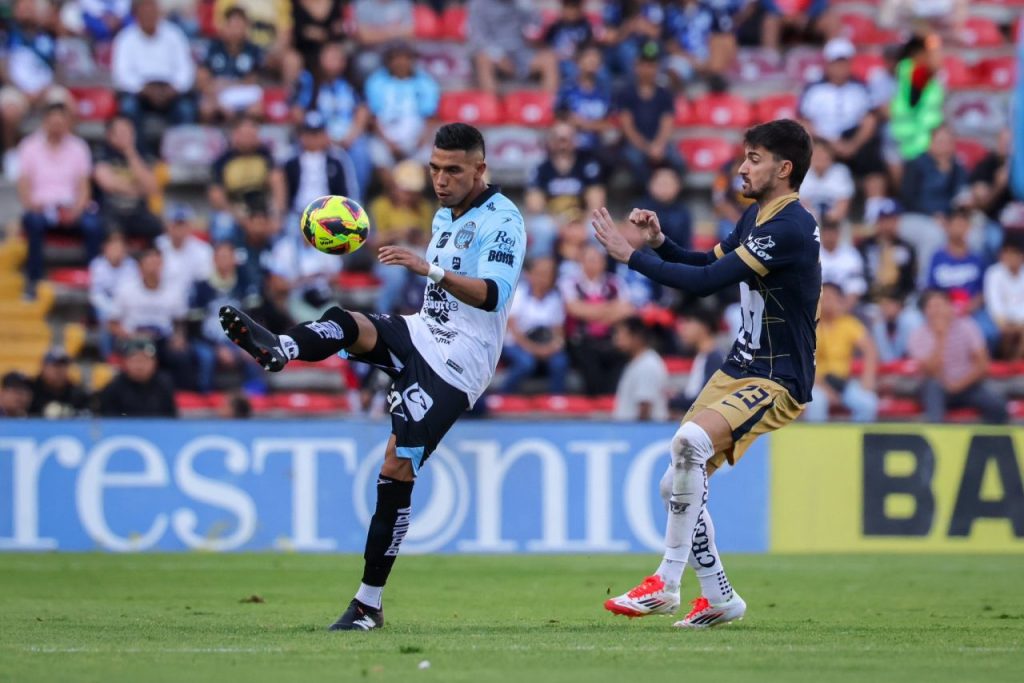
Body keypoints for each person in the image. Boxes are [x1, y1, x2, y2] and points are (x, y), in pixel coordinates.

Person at [218, 123, 526, 631]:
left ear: (480, 169)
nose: (441, 180)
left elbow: (492, 295)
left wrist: (427, 269)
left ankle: (368, 604)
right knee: (349, 322)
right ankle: (280, 347)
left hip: (461, 362)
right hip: (426, 330)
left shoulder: (504, 220)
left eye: (453, 170)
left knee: (397, 467)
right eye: (434, 169)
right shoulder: (445, 213)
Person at [593, 119, 818, 628]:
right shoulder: (758, 217)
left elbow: (705, 284)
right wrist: (660, 243)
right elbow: (706, 262)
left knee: (690, 442)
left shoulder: (790, 229)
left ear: (783, 169)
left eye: (754, 158)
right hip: (741, 365)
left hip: (778, 376)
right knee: (673, 483)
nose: (742, 166)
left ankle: (667, 582)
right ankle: (719, 596)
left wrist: (631, 258)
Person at [18, 101, 102, 298]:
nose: (57, 127)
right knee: (33, 223)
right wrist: (32, 204)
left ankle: (95, 281)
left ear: (68, 124)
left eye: (61, 123)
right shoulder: (29, 146)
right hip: (41, 208)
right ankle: (34, 281)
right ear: (44, 122)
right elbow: (23, 186)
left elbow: (84, 187)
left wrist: (77, 209)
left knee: (94, 225)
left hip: (71, 208)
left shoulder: (78, 147)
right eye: (53, 122)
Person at [798, 38, 885, 196]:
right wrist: (830, 143)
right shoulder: (814, 89)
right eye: (836, 63)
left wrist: (852, 145)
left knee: (872, 156)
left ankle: (875, 205)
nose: (840, 68)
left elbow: (869, 120)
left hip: (853, 141)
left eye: (844, 62)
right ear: (828, 64)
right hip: (822, 141)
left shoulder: (861, 88)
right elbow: (804, 121)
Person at [908, 289, 1007, 424]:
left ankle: (990, 442)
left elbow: (982, 364)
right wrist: (941, 338)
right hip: (936, 387)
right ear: (925, 312)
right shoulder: (917, 335)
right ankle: (937, 437)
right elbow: (930, 371)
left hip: (967, 385)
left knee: (996, 404)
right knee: (932, 388)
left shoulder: (968, 326)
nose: (937, 311)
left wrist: (959, 385)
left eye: (940, 305)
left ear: (950, 307)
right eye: (932, 306)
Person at [111, 0, 196, 148]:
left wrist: (173, 89)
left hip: (170, 91)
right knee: (128, 107)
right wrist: (145, 91)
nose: (149, 16)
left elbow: (186, 70)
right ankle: (140, 155)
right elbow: (122, 74)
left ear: (159, 14)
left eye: (152, 12)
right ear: (136, 15)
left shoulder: (174, 35)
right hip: (140, 93)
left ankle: (179, 156)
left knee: (186, 109)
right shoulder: (125, 38)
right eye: (144, 13)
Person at [291, 41, 372, 193]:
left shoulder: (353, 82)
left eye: (338, 57)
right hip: (316, 135)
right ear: (320, 59)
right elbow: (297, 111)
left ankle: (355, 201)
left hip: (348, 136)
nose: (334, 61)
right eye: (330, 57)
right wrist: (317, 138)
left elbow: (363, 110)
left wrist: (351, 136)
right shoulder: (308, 80)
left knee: (361, 152)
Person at [109, 247, 193, 389]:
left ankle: (179, 396)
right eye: (150, 263)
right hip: (134, 339)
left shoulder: (174, 291)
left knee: (182, 356)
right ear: (140, 267)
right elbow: (112, 323)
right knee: (137, 357)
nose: (154, 268)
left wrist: (179, 338)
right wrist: (128, 335)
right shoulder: (126, 290)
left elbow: (180, 321)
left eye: (157, 263)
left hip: (162, 339)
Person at [190, 242, 265, 394]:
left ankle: (254, 396)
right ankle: (205, 394)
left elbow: (256, 319)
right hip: (208, 341)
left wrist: (248, 343)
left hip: (239, 339)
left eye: (228, 256)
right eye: (220, 257)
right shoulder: (201, 287)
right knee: (206, 358)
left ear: (234, 260)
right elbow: (194, 327)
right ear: (214, 260)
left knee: (256, 353)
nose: (224, 261)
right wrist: (216, 347)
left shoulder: (245, 285)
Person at [560, 243, 634, 395]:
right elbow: (574, 309)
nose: (593, 264)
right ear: (581, 261)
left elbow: (627, 310)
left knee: (621, 359)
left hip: (610, 339)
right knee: (590, 368)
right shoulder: (570, 283)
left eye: (596, 260)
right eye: (589, 260)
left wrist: (591, 313)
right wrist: (610, 309)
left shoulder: (615, 283)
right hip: (581, 341)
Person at [0, 0, 65, 160]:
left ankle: (61, 154)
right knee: (8, 112)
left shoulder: (50, 34)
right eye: (23, 8)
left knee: (67, 105)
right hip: (16, 89)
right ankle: (10, 154)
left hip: (46, 89)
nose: (27, 12)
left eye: (30, 8)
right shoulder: (7, 34)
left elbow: (59, 68)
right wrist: (23, 90)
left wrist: (44, 90)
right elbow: (3, 68)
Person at [804, 283, 879, 422]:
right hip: (815, 384)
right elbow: (804, 363)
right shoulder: (809, 326)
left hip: (843, 383)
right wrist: (827, 390)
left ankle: (853, 441)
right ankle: (816, 443)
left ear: (840, 301)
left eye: (831, 298)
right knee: (817, 403)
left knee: (868, 403)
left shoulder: (849, 324)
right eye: (823, 298)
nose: (827, 303)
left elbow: (870, 349)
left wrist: (868, 378)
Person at [368, 160, 434, 315]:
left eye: (414, 192)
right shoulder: (380, 205)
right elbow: (372, 241)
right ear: (394, 187)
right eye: (406, 191)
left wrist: (418, 237)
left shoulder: (424, 206)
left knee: (430, 276)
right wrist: (399, 233)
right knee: (395, 277)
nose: (410, 196)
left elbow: (431, 240)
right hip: (386, 257)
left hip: (417, 252)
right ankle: (382, 316)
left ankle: (425, 317)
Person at [617, 41, 684, 187]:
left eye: (652, 65)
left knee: (678, 161)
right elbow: (627, 127)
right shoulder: (626, 93)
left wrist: (658, 145)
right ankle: (646, 196)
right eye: (644, 65)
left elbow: (667, 122)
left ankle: (671, 196)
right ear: (637, 66)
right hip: (635, 143)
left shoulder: (664, 94)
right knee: (634, 160)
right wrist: (646, 148)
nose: (648, 69)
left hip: (659, 142)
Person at [364, 42, 440, 173]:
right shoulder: (376, 81)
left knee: (430, 159)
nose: (400, 62)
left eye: (405, 58)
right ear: (388, 61)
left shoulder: (425, 82)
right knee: (376, 154)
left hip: (416, 139)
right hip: (385, 139)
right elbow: (373, 117)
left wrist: (420, 141)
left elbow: (430, 117)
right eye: (396, 58)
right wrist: (389, 144)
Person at [208, 115, 286, 241]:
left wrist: (277, 215)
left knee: (283, 228)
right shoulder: (222, 161)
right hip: (235, 208)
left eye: (253, 134)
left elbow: (277, 182)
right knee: (223, 224)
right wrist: (240, 219)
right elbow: (216, 194)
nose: (250, 138)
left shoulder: (265, 156)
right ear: (235, 135)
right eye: (245, 134)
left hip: (263, 207)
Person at [501, 256, 569, 394]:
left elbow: (558, 331)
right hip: (516, 344)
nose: (544, 278)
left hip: (545, 345)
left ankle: (556, 400)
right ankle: (503, 395)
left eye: (548, 274)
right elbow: (513, 329)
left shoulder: (555, 298)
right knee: (526, 363)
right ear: (529, 274)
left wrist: (553, 347)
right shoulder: (518, 293)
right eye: (540, 273)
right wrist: (535, 350)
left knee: (560, 362)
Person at [92, 114, 163, 242]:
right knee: (108, 228)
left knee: (159, 228)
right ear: (109, 135)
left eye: (129, 132)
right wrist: (138, 189)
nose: (126, 136)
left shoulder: (143, 155)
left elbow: (152, 187)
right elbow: (108, 183)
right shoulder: (101, 154)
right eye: (121, 132)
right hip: (110, 210)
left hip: (138, 211)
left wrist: (130, 154)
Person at [468, 0, 557, 93]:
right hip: (494, 53)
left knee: (549, 59)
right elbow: (477, 37)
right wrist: (497, 55)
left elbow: (535, 29)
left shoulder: (522, 3)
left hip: (522, 51)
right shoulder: (479, 4)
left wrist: (529, 10)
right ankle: (490, 104)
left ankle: (547, 104)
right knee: (482, 59)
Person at [196, 5, 264, 123]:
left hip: (241, 93)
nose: (235, 31)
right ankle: (209, 138)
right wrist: (219, 101)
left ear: (246, 28)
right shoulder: (213, 47)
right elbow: (202, 79)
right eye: (232, 26)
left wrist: (227, 85)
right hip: (216, 93)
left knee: (256, 109)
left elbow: (251, 80)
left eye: (239, 26)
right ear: (224, 26)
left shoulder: (253, 50)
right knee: (206, 108)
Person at [526, 120, 605, 219]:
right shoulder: (541, 169)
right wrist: (558, 224)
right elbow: (534, 206)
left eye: (566, 139)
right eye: (558, 139)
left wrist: (581, 223)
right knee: (542, 226)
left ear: (575, 141)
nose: (562, 145)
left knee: (594, 226)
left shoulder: (588, 167)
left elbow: (596, 203)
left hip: (582, 220)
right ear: (550, 141)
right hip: (552, 220)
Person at [555, 42, 614, 155]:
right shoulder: (567, 90)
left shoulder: (605, 92)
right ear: (578, 61)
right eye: (589, 56)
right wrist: (596, 125)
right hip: (571, 149)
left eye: (596, 57)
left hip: (599, 150)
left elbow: (610, 125)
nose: (593, 61)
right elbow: (560, 120)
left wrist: (583, 123)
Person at [97, 337, 178, 417]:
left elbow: (170, 419)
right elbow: (108, 421)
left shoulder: (164, 385)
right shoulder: (114, 388)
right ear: (125, 362)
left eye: (145, 360)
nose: (140, 365)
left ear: (155, 363)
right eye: (135, 360)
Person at [89, 232, 139, 358]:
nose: (116, 251)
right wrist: (112, 310)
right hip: (105, 306)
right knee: (107, 320)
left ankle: (129, 356)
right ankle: (108, 357)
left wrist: (121, 309)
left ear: (125, 250)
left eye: (119, 248)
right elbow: (96, 295)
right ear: (105, 249)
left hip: (126, 305)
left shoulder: (132, 266)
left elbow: (134, 292)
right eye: (113, 248)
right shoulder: (97, 265)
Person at [858, 199, 917, 302]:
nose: (889, 224)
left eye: (893, 219)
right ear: (878, 222)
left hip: (899, 303)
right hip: (868, 301)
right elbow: (860, 276)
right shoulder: (864, 246)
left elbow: (909, 282)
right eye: (885, 220)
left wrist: (897, 301)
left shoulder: (907, 248)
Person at [612, 316, 669, 421]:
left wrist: (638, 434)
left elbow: (645, 407)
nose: (617, 339)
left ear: (637, 337)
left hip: (639, 432)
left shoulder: (648, 364)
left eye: (621, 334)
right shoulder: (636, 362)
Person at [155, 203, 214, 304]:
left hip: (191, 305)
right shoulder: (157, 246)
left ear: (190, 226)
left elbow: (204, 284)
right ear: (167, 225)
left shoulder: (203, 250)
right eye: (175, 224)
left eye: (182, 224)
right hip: (160, 303)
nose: (179, 229)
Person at [670, 306, 724, 414]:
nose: (682, 329)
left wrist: (674, 401)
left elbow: (706, 400)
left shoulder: (714, 359)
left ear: (704, 326)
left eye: (688, 323)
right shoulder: (702, 356)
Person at [983, 237, 1024, 360]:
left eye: (1013, 253)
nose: (1009, 257)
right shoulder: (993, 273)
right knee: (1002, 332)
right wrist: (1003, 322)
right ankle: (1006, 361)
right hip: (1001, 318)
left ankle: (1017, 362)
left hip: (1022, 319)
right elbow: (993, 303)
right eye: (1006, 253)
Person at [799, 137, 854, 225]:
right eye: (816, 153)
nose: (819, 157)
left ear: (830, 155)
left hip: (835, 223)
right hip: (808, 222)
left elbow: (843, 204)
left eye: (822, 153)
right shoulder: (802, 172)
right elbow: (801, 202)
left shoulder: (841, 171)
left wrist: (829, 219)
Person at [637, 165, 692, 249]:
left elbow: (686, 244)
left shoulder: (683, 212)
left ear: (677, 187)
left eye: (667, 184)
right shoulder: (640, 208)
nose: (664, 188)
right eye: (660, 184)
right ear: (650, 186)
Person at [28, 348, 89, 417]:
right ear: (44, 367)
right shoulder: (30, 391)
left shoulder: (78, 394)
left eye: (64, 366)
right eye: (55, 366)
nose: (60, 371)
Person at [818, 219, 867, 306]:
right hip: (816, 306)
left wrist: (843, 308)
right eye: (827, 233)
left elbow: (856, 285)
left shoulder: (851, 254)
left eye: (833, 233)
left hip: (845, 305)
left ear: (838, 234)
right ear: (821, 234)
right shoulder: (812, 254)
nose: (830, 237)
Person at [870, 288, 924, 362]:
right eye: (882, 305)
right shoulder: (881, 323)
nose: (884, 308)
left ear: (898, 305)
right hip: (893, 368)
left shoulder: (909, 319)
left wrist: (879, 327)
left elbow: (891, 358)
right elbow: (886, 358)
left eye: (888, 304)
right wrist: (878, 327)